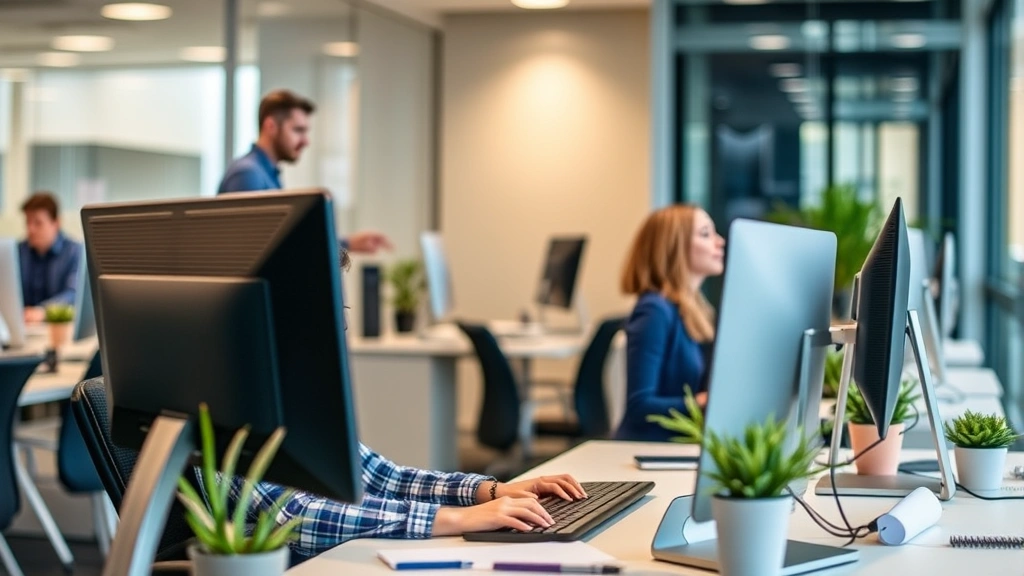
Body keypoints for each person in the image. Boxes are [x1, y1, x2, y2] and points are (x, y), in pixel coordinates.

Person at [212, 250, 588, 561]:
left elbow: (382, 477)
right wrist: (455, 519)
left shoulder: (294, 397)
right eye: (331, 318)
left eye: (340, 318)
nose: (340, 334)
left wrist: (490, 492)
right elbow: (296, 516)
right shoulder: (225, 405)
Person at [218, 89, 391, 255]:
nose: (306, 141)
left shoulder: (267, 175)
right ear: (270, 126)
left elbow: (280, 243)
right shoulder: (249, 175)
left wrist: (349, 243)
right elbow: (258, 251)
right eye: (298, 130)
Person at [614, 205, 725, 442]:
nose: (720, 242)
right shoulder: (654, 311)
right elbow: (639, 405)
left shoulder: (693, 310)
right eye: (706, 234)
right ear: (674, 246)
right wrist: (703, 402)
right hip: (644, 452)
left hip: (676, 448)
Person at [18, 192, 82, 324]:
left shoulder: (74, 251)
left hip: (57, 328)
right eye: (28, 222)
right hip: (24, 327)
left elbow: (74, 294)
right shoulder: (19, 251)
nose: (31, 229)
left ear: (56, 223)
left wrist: (42, 311)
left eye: (38, 223)